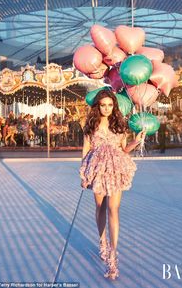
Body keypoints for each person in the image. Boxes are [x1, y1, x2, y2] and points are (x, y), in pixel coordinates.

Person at [79, 89, 145, 280]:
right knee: (100, 207)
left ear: (114, 105)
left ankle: (113, 255)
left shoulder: (120, 124)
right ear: (98, 106)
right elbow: (85, 150)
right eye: (103, 105)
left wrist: (136, 141)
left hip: (116, 168)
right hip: (97, 169)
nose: (107, 108)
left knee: (113, 209)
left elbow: (124, 149)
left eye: (109, 105)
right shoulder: (90, 125)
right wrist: (83, 173)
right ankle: (102, 242)